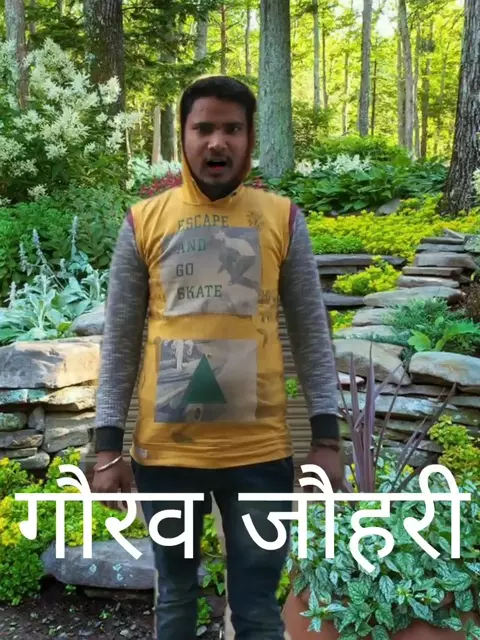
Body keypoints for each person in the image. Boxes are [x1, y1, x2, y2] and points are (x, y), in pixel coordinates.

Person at [92, 75, 343, 640]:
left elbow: (311, 334)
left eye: (232, 129)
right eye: (203, 128)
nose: (217, 142)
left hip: (259, 456)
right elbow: (121, 344)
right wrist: (107, 449)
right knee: (176, 598)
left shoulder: (282, 218)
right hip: (166, 456)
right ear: (183, 137)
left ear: (250, 138)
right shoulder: (143, 222)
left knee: (257, 609)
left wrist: (327, 441)